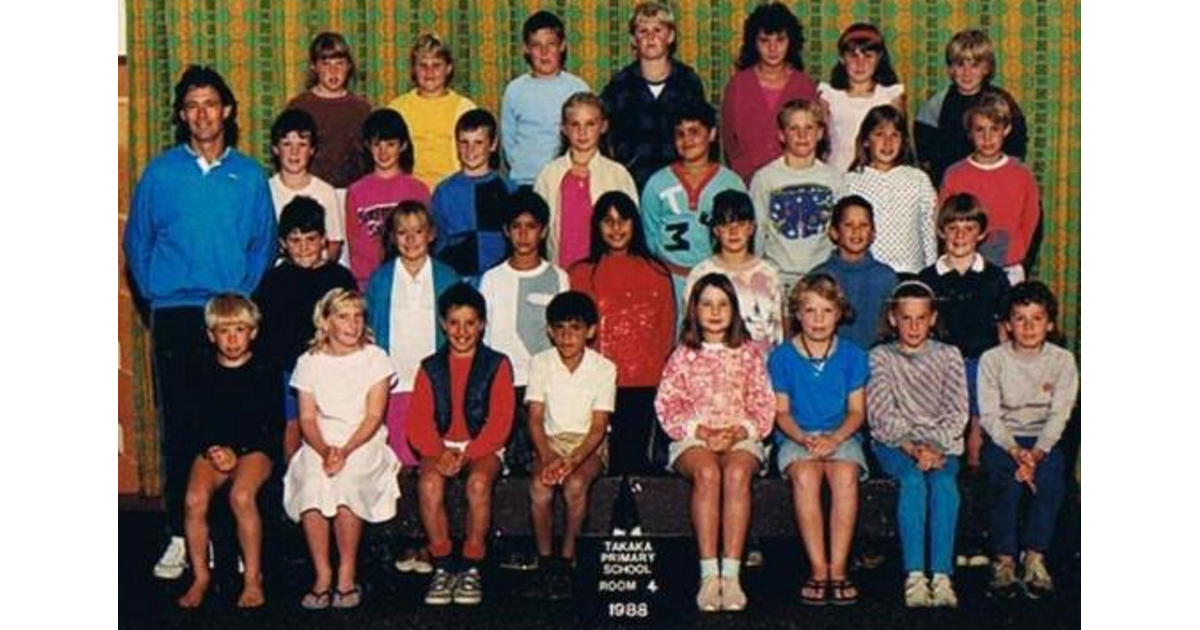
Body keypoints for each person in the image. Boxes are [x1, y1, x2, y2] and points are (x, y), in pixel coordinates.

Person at [124, 65, 276, 580]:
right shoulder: (161, 173)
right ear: (182, 114)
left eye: (211, 103)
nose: (202, 114)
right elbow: (137, 241)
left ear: (227, 111)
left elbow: (263, 242)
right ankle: (179, 535)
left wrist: (241, 298)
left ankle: (232, 538)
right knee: (182, 424)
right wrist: (156, 294)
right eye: (191, 105)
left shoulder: (250, 175)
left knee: (233, 425)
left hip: (229, 312)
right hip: (175, 313)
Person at [656, 273, 775, 612]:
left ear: (734, 311)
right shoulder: (682, 355)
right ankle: (709, 574)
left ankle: (732, 575)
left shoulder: (749, 353)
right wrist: (703, 432)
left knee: (736, 474)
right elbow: (667, 405)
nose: (715, 311)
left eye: (723, 304)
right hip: (693, 438)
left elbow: (763, 402)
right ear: (694, 310)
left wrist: (740, 431)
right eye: (706, 304)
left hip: (741, 436)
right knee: (708, 473)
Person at [282, 288, 401, 610]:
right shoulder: (309, 361)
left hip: (363, 438)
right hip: (320, 438)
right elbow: (306, 416)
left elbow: (374, 416)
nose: (352, 325)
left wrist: (345, 451)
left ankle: (347, 573)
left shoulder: (376, 358)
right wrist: (324, 450)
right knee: (312, 483)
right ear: (325, 321)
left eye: (358, 316)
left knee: (347, 482)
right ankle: (323, 574)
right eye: (343, 316)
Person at [408, 283, 516, 606]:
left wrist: (467, 453)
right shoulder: (429, 367)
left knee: (479, 482)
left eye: (470, 323)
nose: (462, 331)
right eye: (454, 323)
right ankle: (442, 564)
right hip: (441, 445)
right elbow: (417, 423)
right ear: (443, 324)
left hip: (483, 445)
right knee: (428, 483)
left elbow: (500, 423)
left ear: (482, 324)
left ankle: (471, 564)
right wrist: (441, 453)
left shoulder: (498, 364)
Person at [866, 281, 969, 608]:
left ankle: (941, 575)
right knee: (912, 482)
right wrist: (912, 448)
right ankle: (914, 576)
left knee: (943, 484)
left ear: (933, 318)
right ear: (893, 318)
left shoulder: (949, 356)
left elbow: (957, 412)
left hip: (941, 445)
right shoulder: (880, 357)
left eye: (921, 318)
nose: (913, 326)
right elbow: (881, 414)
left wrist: (934, 447)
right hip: (895, 444)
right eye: (906, 318)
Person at [176, 294, 282, 609]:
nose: (232, 339)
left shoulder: (265, 368)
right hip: (215, 447)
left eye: (239, 329)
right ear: (211, 335)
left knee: (241, 496)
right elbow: (193, 419)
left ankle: (251, 578)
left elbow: (269, 423)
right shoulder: (200, 368)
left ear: (253, 332)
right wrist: (214, 449)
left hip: (255, 448)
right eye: (224, 331)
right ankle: (200, 577)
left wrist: (238, 452)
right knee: (194, 500)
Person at [769, 273, 869, 606]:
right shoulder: (782, 356)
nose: (818, 320)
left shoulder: (853, 355)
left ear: (839, 314)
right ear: (797, 313)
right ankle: (818, 569)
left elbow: (857, 412)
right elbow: (781, 413)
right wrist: (806, 440)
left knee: (844, 476)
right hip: (797, 435)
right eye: (810, 311)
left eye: (827, 311)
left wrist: (834, 439)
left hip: (841, 433)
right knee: (806, 476)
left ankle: (839, 569)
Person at [978, 281, 1078, 599]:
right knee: (1004, 477)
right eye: (1020, 319)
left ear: (1050, 323)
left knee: (1051, 479)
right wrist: (1014, 451)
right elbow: (990, 415)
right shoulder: (992, 360)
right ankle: (1004, 559)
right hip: (1004, 438)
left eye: (1037, 318)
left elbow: (1060, 414)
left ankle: (1035, 556)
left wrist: (1036, 455)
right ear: (1008, 325)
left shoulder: (1063, 361)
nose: (1029, 326)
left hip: (1043, 439)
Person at [568, 191, 676, 474]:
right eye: (608, 221)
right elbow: (573, 334)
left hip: (644, 385)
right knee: (601, 470)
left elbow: (666, 335)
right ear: (597, 227)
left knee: (638, 467)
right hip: (596, 386)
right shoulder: (580, 274)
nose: (616, 228)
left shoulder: (657, 273)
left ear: (635, 224)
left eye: (623, 220)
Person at [525, 292, 618, 599]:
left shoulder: (604, 368)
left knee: (575, 485)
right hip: (549, 442)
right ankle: (545, 560)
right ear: (550, 331)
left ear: (590, 331)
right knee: (540, 487)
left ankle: (567, 558)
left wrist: (574, 460)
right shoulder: (540, 363)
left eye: (575, 328)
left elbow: (598, 427)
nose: (567, 336)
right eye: (560, 328)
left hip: (588, 444)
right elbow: (535, 419)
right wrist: (549, 456)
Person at [253, 197, 356, 460]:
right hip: (289, 370)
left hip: (332, 367)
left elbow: (353, 323)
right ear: (282, 244)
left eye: (311, 239)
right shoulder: (273, 281)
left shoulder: (339, 277)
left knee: (332, 426)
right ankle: (293, 487)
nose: (304, 248)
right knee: (294, 426)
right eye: (295, 241)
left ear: (324, 240)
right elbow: (263, 334)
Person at [364, 201, 461, 468]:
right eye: (402, 232)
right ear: (393, 238)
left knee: (432, 459)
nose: (410, 239)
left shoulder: (448, 278)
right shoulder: (380, 279)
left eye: (417, 231)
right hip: (394, 382)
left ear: (430, 234)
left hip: (433, 383)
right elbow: (368, 328)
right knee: (396, 461)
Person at [479, 190, 570, 473]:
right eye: (516, 227)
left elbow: (566, 337)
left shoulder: (558, 277)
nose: (523, 235)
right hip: (505, 385)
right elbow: (485, 337)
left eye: (531, 227)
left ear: (542, 231)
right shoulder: (492, 279)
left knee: (544, 466)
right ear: (506, 231)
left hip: (545, 387)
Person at [918, 193, 1009, 470]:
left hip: (981, 362)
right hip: (941, 364)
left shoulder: (994, 277)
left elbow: (1004, 327)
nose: (960, 236)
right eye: (953, 228)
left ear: (981, 234)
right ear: (940, 231)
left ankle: (975, 455)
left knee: (981, 385)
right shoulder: (927, 279)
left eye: (968, 228)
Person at [642, 100, 747, 309]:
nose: (687, 140)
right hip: (670, 281)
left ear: (712, 134)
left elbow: (743, 235)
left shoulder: (730, 182)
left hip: (718, 281)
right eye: (680, 134)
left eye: (694, 132)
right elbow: (650, 237)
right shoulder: (657, 183)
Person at [599, 1, 708, 189]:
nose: (650, 37)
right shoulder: (620, 84)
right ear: (633, 39)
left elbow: (702, 135)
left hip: (680, 182)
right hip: (631, 183)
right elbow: (601, 134)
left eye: (658, 30)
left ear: (671, 36)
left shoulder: (688, 82)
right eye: (643, 31)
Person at [939, 93, 1041, 284]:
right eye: (980, 130)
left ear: (1007, 129)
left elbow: (1030, 220)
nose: (987, 138)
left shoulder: (1021, 174)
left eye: (994, 129)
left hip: (1010, 267)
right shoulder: (955, 174)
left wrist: (1018, 255)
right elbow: (944, 220)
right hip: (964, 264)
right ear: (969, 133)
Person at [533, 92, 638, 268]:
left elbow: (633, 227)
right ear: (564, 128)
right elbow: (537, 227)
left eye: (590, 124)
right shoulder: (549, 175)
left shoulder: (617, 174)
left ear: (603, 126)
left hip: (606, 270)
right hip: (562, 270)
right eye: (575, 124)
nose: (582, 132)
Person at [749, 99, 846, 290]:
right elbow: (758, 230)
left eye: (809, 128)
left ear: (819, 133)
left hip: (821, 276)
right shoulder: (765, 178)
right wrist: (756, 272)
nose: (802, 135)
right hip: (776, 277)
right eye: (794, 129)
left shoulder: (833, 179)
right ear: (782, 135)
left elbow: (839, 231)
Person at [914, 28, 1028, 188]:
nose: (967, 73)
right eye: (960, 65)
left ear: (986, 68)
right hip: (952, 187)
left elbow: (1017, 147)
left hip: (996, 183)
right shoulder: (936, 104)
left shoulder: (1002, 102)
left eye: (974, 65)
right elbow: (925, 155)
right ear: (950, 69)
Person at [721, 2, 818, 185]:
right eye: (765, 40)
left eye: (780, 40)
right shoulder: (738, 85)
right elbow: (729, 142)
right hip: (748, 182)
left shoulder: (804, 85)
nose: (773, 49)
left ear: (791, 42)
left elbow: (813, 137)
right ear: (753, 43)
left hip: (795, 182)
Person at [684, 189, 784, 353]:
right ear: (716, 231)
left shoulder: (769, 273)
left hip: (762, 365)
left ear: (752, 228)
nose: (733, 231)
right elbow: (692, 326)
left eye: (741, 224)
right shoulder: (701, 273)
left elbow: (777, 330)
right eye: (725, 224)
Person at [501, 10, 590, 187]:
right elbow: (508, 141)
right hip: (525, 180)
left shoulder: (577, 88)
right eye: (536, 45)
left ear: (562, 46)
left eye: (551, 44)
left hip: (567, 179)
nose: (544, 52)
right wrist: (523, 167)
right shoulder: (515, 90)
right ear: (526, 49)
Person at [845, 105, 938, 275]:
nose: (887, 142)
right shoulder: (850, 182)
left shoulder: (919, 179)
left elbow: (928, 230)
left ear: (904, 141)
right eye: (879, 134)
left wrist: (931, 273)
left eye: (895, 135)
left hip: (911, 271)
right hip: (868, 272)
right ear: (866, 140)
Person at [344, 108, 430, 289]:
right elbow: (354, 246)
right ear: (368, 146)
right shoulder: (355, 191)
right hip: (369, 282)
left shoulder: (418, 190)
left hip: (411, 279)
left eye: (390, 144)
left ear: (403, 145)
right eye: (377, 145)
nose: (383, 152)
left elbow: (425, 239)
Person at [430, 108, 516, 280]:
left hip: (499, 281)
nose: (470, 150)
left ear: (492, 144)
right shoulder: (443, 191)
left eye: (478, 142)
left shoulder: (508, 189)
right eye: (464, 142)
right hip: (455, 279)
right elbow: (436, 241)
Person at [388, 33, 478, 190]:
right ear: (413, 69)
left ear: (448, 68)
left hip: (453, 190)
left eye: (436, 65)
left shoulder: (465, 108)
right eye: (422, 65)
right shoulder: (397, 109)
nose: (429, 72)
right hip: (409, 192)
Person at [286, 32, 373, 191]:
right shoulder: (299, 106)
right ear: (314, 67)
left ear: (349, 66)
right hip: (309, 191)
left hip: (351, 193)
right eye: (326, 64)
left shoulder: (362, 109)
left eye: (339, 63)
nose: (333, 71)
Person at [811, 195, 897, 350]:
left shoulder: (886, 277)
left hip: (877, 365)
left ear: (873, 233)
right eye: (848, 224)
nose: (856, 231)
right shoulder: (820, 277)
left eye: (863, 225)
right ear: (834, 232)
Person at [817, 23, 905, 173]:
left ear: (879, 58)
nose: (860, 63)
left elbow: (899, 142)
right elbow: (820, 142)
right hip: (837, 173)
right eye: (853, 56)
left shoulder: (890, 96)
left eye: (868, 56)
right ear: (842, 59)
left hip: (877, 175)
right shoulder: (829, 95)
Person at [268, 108, 346, 263]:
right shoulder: (265, 191)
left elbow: (335, 245)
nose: (294, 152)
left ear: (312, 150)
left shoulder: (326, 192)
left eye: (302, 145)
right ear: (275, 149)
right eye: (287, 144)